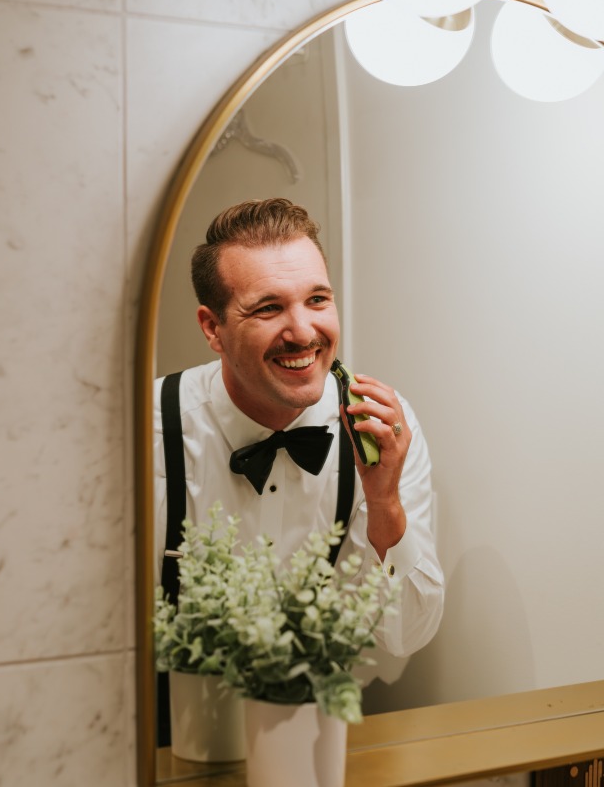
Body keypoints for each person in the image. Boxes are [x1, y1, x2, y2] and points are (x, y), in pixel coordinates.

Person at [153, 198, 445, 659]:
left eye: (317, 300)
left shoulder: (383, 429)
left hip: (313, 723)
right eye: (268, 308)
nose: (304, 332)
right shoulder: (147, 431)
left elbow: (405, 635)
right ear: (213, 328)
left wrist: (384, 501)